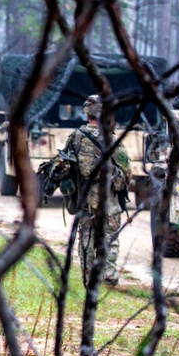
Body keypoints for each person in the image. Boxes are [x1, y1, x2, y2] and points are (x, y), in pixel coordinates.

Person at [64, 94, 132, 287]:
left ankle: (88, 275)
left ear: (86, 113)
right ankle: (109, 277)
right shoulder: (112, 139)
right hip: (108, 200)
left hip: (85, 199)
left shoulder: (76, 137)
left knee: (86, 237)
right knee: (110, 238)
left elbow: (67, 167)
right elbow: (127, 172)